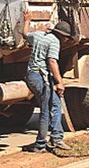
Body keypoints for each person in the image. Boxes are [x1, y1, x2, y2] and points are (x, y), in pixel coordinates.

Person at [21, 12, 72, 152]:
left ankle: (57, 138)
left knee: (55, 104)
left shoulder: (39, 35)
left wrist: (27, 21)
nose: (66, 41)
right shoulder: (55, 42)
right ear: (61, 35)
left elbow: (25, 34)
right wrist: (59, 82)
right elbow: (52, 61)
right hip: (39, 77)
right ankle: (40, 144)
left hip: (33, 75)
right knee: (46, 108)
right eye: (66, 38)